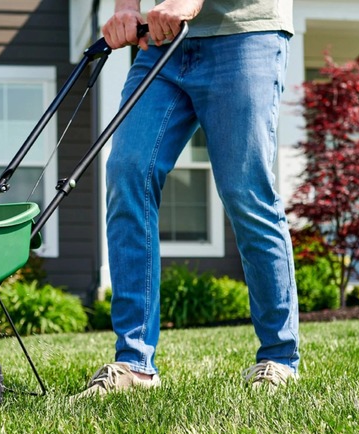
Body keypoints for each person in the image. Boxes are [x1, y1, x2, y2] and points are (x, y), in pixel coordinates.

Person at [74, 0, 299, 398]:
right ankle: (134, 363)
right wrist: (127, 9)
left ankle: (279, 358)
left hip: (244, 32)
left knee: (245, 190)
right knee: (128, 169)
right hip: (163, 39)